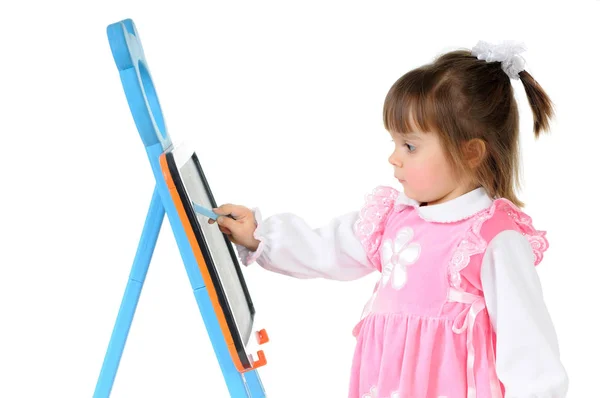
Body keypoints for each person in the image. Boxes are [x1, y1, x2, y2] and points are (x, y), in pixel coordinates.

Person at [208, 41, 568, 397]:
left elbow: (529, 352)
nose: (394, 158)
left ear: (469, 151)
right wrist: (259, 236)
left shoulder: (493, 239)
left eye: (409, 146)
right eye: (395, 144)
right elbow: (328, 248)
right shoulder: (396, 218)